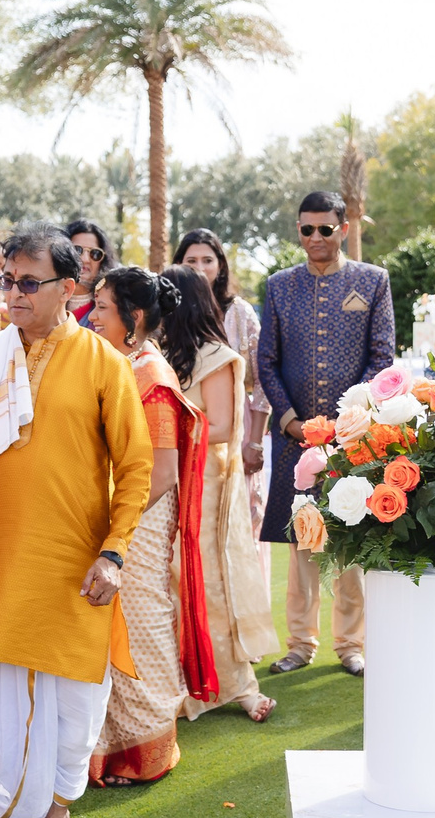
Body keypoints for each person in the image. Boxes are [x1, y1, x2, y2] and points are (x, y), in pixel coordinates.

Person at [0, 227, 151, 818]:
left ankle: (57, 813)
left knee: (74, 694)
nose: (14, 294)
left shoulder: (103, 360)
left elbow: (135, 467)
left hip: (72, 559)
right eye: (7, 281)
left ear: (69, 287)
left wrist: (113, 553)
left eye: (29, 283)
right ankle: (2, 801)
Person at [84, 266, 216, 784]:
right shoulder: (121, 365)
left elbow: (162, 472)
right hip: (119, 515)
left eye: (102, 308)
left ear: (133, 319)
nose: (91, 316)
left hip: (138, 519)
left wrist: (117, 522)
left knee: (140, 627)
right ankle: (107, 747)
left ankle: (146, 751)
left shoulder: (151, 379)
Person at [257, 190, 394, 676]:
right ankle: (299, 643)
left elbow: (382, 359)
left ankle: (351, 645)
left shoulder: (372, 282)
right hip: (295, 438)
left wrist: (348, 422)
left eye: (325, 229)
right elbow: (266, 361)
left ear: (344, 229)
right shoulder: (279, 286)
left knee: (350, 536)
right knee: (302, 540)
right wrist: (291, 419)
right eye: (306, 229)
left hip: (353, 439)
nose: (315, 237)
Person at [168, 265, 279, 722]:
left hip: (205, 486)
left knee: (210, 583)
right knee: (168, 583)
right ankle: (176, 681)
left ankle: (236, 685)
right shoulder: (163, 352)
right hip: (168, 480)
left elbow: (221, 428)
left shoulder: (216, 356)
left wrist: (158, 433)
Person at [174, 228, 266, 504]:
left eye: (207, 260)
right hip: (184, 431)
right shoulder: (168, 313)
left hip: (237, 428)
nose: (200, 268)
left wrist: (256, 442)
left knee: (234, 515)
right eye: (191, 261)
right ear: (179, 264)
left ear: (220, 265)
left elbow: (262, 381)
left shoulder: (239, 313)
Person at [64, 218, 112, 321]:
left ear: (103, 261)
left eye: (94, 253)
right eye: (76, 250)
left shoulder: (111, 307)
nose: (85, 259)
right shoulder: (47, 302)